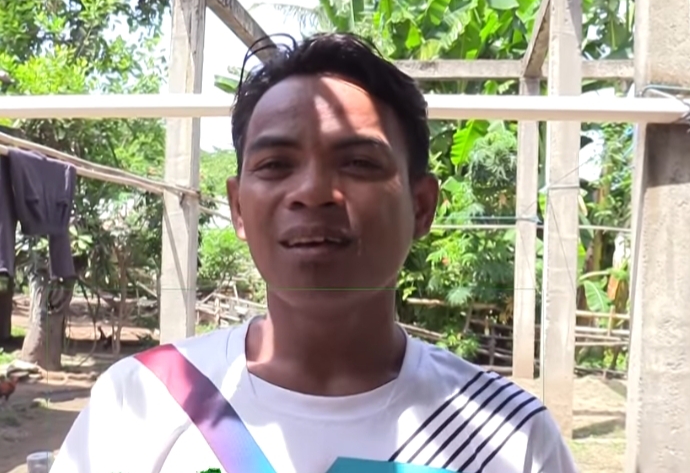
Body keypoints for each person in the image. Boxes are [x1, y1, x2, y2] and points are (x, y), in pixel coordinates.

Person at [51, 33, 577, 473]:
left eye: (358, 163)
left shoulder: (509, 438)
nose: (313, 192)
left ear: (421, 207)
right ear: (238, 208)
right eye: (276, 165)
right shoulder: (141, 403)